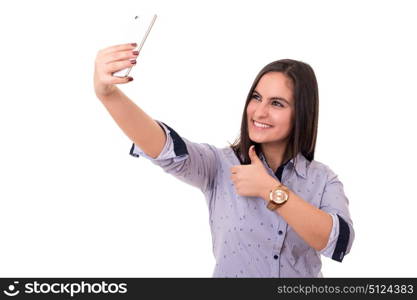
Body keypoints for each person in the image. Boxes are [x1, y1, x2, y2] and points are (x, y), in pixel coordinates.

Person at [94, 43, 354, 277]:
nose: (259, 111)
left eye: (277, 103)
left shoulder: (323, 179)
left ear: (302, 114)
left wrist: (270, 190)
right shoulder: (219, 165)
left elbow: (337, 242)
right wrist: (108, 95)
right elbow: (164, 148)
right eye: (256, 97)